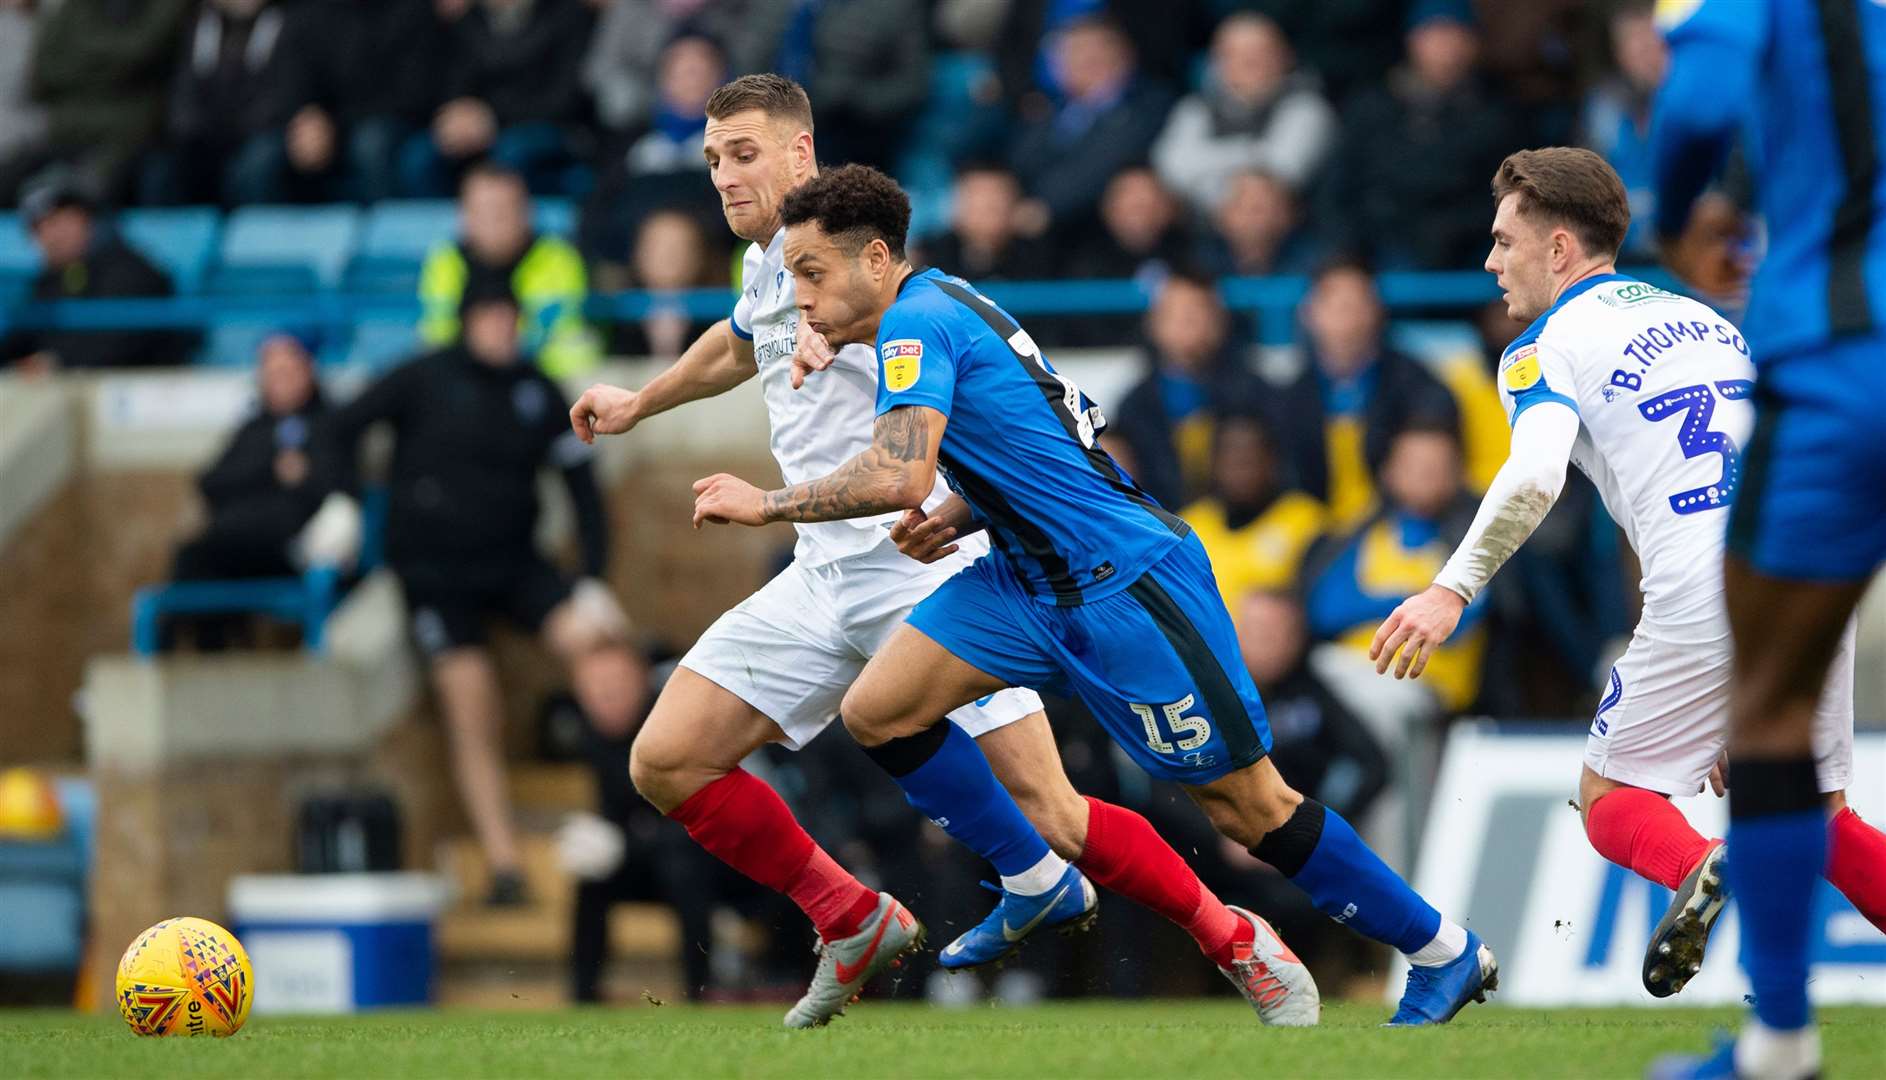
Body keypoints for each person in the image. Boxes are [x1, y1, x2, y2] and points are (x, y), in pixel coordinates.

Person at [567, 75, 1315, 1030]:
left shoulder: (855, 269)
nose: (722, 175)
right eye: (713, 158)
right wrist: (640, 402)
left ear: (801, 153)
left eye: (743, 154)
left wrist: (818, 363)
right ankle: (852, 917)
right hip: (818, 571)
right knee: (666, 761)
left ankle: (1233, 937)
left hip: (921, 568)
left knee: (1052, 809)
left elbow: (916, 356)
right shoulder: (772, 267)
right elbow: (738, 338)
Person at [694, 160, 1496, 1026]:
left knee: (1249, 807)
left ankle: (1441, 950)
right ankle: (1031, 877)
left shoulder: (914, 325)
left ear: (878, 259)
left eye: (812, 274)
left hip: (1126, 586)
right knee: (880, 709)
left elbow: (898, 474)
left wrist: (765, 503)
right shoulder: (953, 302)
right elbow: (1072, 416)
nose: (800, 298)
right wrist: (969, 510)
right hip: (1022, 579)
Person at [1366, 149, 1886, 1079]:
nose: (1492, 262)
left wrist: (1451, 587)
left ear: (1559, 248)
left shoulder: (1543, 347)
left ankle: (1694, 866)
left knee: (1611, 803)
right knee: (1817, 812)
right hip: (1807, 565)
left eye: (1504, 240)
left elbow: (1533, 475)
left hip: (1705, 584)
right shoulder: (1706, 320)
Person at [1650, 4, 1886, 1076]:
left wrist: (1671, 212)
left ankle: (1779, 1044)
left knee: (1772, 708)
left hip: (1846, 358)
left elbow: (1696, 102)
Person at [324, 281, 649, 907]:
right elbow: (340, 426)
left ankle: (632, 811)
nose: (501, 328)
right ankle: (504, 863)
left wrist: (592, 580)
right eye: (490, 316)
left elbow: (583, 489)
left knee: (602, 651)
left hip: (515, 564)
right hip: (436, 578)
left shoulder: (535, 387)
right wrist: (341, 500)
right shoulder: (421, 377)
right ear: (467, 320)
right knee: (471, 702)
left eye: (510, 317)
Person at [1314, 0, 1517, 269]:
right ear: (1412, 40)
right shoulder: (1372, 108)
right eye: (1434, 34)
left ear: (1473, 43)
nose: (1445, 47)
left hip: (1472, 250)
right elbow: (1339, 190)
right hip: (1381, 249)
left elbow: (1509, 197)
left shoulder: (1499, 113)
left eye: (1454, 33)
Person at [162, 330, 330, 650]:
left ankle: (172, 642)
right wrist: (269, 470)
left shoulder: (328, 425)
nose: (280, 380)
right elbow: (211, 482)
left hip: (290, 549)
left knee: (201, 558)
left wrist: (298, 479)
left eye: (288, 371)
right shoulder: (253, 429)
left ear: (307, 370)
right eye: (272, 372)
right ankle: (179, 650)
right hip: (233, 539)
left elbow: (330, 486)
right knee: (197, 560)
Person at [1309, 421, 1485, 717]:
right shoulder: (1370, 538)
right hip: (1351, 667)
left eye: (1437, 466)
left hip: (1428, 682)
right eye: (1414, 465)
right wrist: (1414, 602)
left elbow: (1463, 619)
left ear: (1458, 475)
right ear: (1388, 472)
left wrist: (1372, 601)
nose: (1426, 475)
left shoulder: (1470, 542)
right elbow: (1326, 611)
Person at [1265, 259, 1459, 526]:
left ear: (1376, 311)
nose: (1347, 319)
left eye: (1356, 305)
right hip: (1313, 535)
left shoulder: (1416, 384)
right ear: (1309, 313)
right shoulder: (1291, 399)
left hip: (1404, 526)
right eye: (1335, 305)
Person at [417, 163, 601, 380]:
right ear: (464, 216)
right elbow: (438, 334)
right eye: (482, 211)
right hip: (462, 381)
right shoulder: (443, 259)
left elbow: (564, 334)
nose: (494, 222)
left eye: (503, 211)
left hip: (544, 381)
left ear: (526, 212)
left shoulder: (559, 258)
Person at [397, 0, 595, 197]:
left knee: (513, 153)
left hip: (549, 128)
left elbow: (565, 99)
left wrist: (493, 119)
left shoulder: (569, 15)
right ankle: (445, 226)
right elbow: (452, 82)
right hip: (478, 127)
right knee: (419, 157)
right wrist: (456, 114)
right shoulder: (469, 20)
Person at [1108, 271, 1268, 509]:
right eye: (1176, 315)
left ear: (1219, 322)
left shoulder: (1254, 396)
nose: (1187, 326)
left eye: (1197, 314)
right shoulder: (1135, 406)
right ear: (1154, 323)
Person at [1005, 16, 1176, 239]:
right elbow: (1019, 161)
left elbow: (1107, 162)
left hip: (1102, 232)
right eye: (1068, 55)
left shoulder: (1148, 105)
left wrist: (1046, 206)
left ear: (1121, 56)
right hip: (1041, 231)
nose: (1076, 62)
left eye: (1088, 54)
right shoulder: (1050, 111)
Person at [0, 180, 195, 371]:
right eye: (38, 228)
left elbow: (119, 343)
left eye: (58, 222)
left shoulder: (131, 271)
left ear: (87, 220)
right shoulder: (50, 281)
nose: (51, 236)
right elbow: (21, 337)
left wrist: (56, 363)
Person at [1151, 13, 1336, 213]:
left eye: (1260, 52)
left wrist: (1205, 170)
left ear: (1286, 56)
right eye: (1234, 54)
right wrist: (1252, 151)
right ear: (1216, 62)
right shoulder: (1195, 107)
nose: (1249, 62)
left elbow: (1283, 170)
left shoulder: (1308, 107)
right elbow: (1172, 169)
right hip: (1204, 232)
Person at [138, 0, 307, 207]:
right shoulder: (195, 27)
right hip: (206, 140)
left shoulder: (289, 23)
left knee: (257, 164)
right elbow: (182, 100)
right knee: (161, 169)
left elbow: (283, 101)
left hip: (261, 137)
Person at [1178, 413, 1325, 613]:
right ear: (1213, 465)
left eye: (1249, 460)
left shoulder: (1304, 519)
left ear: (1272, 462)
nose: (1240, 473)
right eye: (1231, 461)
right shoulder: (1187, 527)